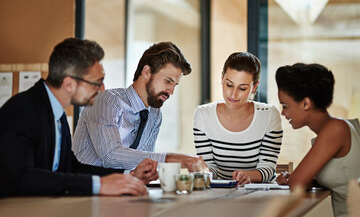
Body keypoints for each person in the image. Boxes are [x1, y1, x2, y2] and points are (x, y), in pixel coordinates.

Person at [0, 38, 158, 197]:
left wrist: (127, 176)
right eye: (96, 83)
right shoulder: (21, 111)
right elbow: (20, 178)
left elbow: (70, 167)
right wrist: (97, 185)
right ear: (69, 84)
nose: (102, 89)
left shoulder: (57, 114)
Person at [72, 41, 206, 172]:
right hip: (83, 190)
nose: (171, 91)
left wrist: (143, 174)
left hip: (121, 189)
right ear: (147, 72)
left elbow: (144, 164)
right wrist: (175, 159)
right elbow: (110, 155)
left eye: (175, 85)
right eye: (168, 81)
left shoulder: (155, 115)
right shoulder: (105, 101)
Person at [275, 63, 360, 217]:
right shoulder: (336, 128)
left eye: (285, 106)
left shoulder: (336, 129)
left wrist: (295, 178)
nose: (283, 113)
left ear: (306, 103)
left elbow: (297, 183)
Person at [193, 52, 283, 185]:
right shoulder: (203, 115)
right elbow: (210, 166)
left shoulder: (269, 115)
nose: (233, 94)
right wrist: (202, 172)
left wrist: (247, 176)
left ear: (254, 87)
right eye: (229, 85)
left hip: (260, 194)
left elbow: (267, 168)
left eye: (242, 88)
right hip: (219, 194)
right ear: (222, 78)